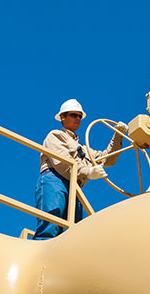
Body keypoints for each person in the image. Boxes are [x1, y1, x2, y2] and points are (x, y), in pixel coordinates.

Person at [32, 99, 128, 240]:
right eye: (73, 115)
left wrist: (118, 135)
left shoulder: (83, 148)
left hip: (74, 188)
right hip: (55, 180)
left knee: (77, 233)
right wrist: (88, 172)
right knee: (51, 224)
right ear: (63, 117)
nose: (78, 118)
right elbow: (62, 164)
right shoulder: (55, 136)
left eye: (79, 116)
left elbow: (107, 159)